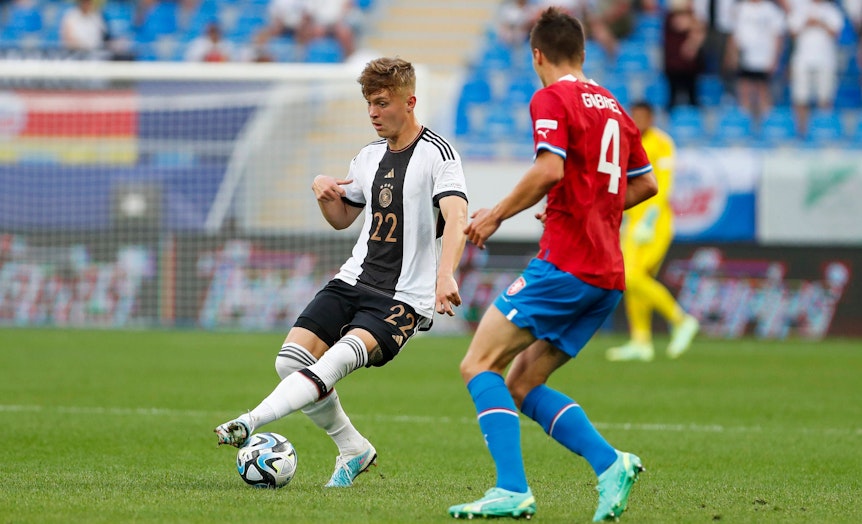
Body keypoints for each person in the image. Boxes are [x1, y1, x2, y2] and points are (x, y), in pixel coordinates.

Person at [214, 57, 469, 488]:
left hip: (404, 298)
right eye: (369, 103)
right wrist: (323, 191)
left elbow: (457, 217)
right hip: (353, 280)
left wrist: (446, 274)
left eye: (382, 103)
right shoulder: (368, 157)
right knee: (289, 362)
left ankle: (250, 420)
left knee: (331, 363)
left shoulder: (438, 155)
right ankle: (353, 448)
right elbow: (342, 218)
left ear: (409, 102)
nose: (372, 112)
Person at [447, 8, 658, 522]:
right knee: (522, 383)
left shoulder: (551, 97)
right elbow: (646, 183)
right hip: (606, 276)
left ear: (537, 55)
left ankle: (511, 489)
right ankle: (611, 465)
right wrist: (585, 204)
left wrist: (495, 214)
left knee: (479, 363)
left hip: (566, 264)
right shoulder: (615, 106)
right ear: (582, 53)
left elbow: (549, 168)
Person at [606, 101, 700, 362]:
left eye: (642, 116)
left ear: (651, 118)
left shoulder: (662, 143)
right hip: (632, 220)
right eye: (634, 116)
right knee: (633, 280)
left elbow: (664, 183)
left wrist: (649, 218)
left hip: (654, 223)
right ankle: (641, 341)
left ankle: (681, 320)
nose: (638, 121)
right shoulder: (626, 141)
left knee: (632, 275)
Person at [787, 0, 844, 136]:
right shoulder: (800, 9)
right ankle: (801, 132)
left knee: (825, 98)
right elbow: (792, 33)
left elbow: (836, 34)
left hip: (826, 60)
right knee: (800, 98)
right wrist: (807, 23)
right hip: (802, 59)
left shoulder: (832, 10)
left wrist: (820, 23)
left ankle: (823, 132)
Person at [724, 0, 787, 121]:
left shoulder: (771, 10)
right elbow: (733, 34)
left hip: (763, 58)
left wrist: (775, 59)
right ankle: (744, 121)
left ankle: (766, 123)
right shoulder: (739, 8)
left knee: (763, 90)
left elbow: (778, 36)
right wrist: (732, 54)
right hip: (744, 56)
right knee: (744, 89)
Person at [663, 0, 707, 110]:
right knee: (672, 99)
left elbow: (701, 31)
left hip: (690, 67)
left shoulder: (694, 18)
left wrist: (692, 43)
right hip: (673, 66)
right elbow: (680, 24)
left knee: (693, 99)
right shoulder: (669, 18)